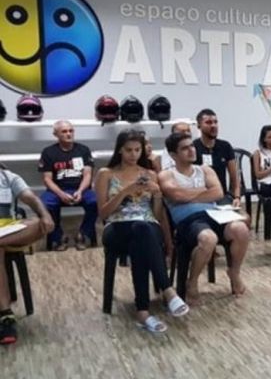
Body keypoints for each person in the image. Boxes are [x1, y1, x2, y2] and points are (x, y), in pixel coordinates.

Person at [96, 130, 189, 333]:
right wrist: (124, 192)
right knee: (141, 233)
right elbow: (103, 213)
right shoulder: (106, 174)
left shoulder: (150, 174)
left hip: (146, 224)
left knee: (141, 233)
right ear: (120, 150)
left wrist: (157, 195)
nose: (133, 154)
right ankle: (168, 290)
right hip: (117, 226)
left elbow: (156, 215)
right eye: (129, 150)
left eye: (137, 150)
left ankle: (143, 312)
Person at [159, 132, 250, 305]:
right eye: (184, 148)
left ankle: (234, 271)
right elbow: (176, 195)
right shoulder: (167, 175)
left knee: (241, 229)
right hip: (189, 220)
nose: (191, 150)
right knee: (209, 239)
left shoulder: (205, 170)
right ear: (173, 155)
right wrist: (204, 192)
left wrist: (187, 196)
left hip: (214, 214)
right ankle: (192, 282)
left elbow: (218, 193)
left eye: (191, 146)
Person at [0, 164, 54, 345]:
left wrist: (45, 214)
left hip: (8, 230)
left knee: (38, 223)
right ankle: (5, 314)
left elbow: (30, 197)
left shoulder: (7, 177)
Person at [38, 120, 98, 251]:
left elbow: (88, 175)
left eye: (71, 131)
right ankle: (59, 237)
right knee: (45, 205)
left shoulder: (83, 150)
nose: (68, 134)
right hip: (57, 190)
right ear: (56, 134)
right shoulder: (48, 152)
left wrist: (80, 191)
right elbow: (47, 179)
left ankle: (83, 234)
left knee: (96, 202)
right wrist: (61, 194)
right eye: (64, 131)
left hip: (81, 189)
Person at [193, 109, 241, 207]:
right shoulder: (193, 147)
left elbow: (234, 177)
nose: (213, 126)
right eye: (208, 122)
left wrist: (237, 197)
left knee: (242, 215)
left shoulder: (225, 146)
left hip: (221, 197)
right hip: (200, 198)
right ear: (199, 125)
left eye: (215, 122)